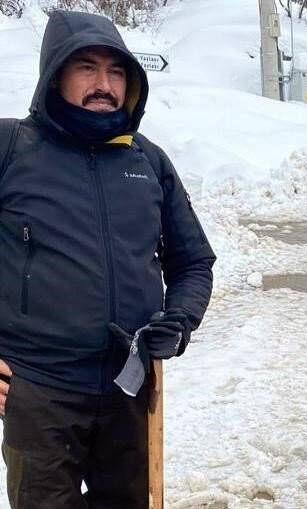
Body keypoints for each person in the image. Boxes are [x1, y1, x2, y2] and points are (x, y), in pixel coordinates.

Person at [0, 10, 216, 508]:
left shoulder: (148, 160)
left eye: (116, 71)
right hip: (40, 390)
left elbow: (193, 262)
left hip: (129, 387)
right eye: (86, 67)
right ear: (55, 74)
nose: (104, 84)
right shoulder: (12, 148)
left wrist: (179, 320)